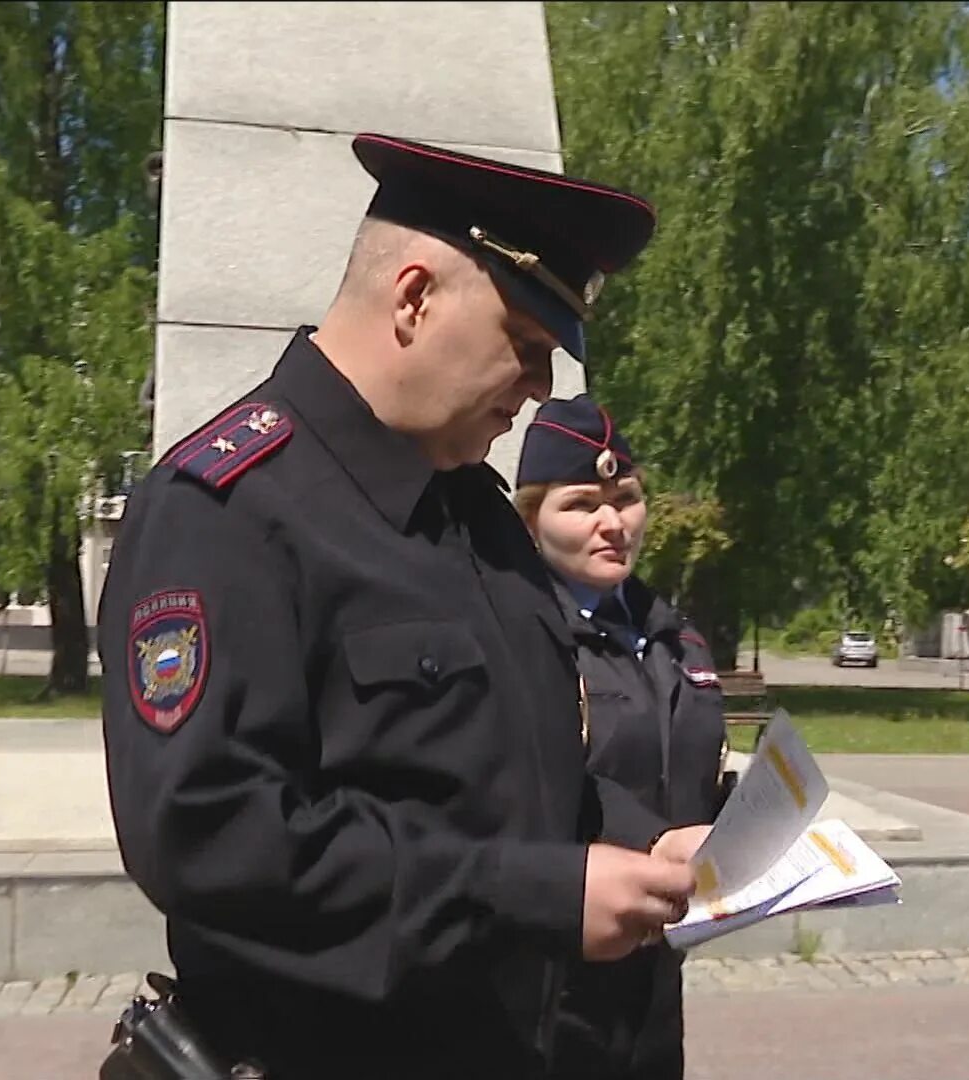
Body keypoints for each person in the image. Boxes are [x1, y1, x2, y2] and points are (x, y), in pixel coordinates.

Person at [96, 132, 711, 1080]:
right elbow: (213, 837)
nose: (544, 387)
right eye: (528, 345)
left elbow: (518, 772)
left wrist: (650, 840)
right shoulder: (224, 509)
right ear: (415, 298)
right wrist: (533, 895)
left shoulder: (479, 519)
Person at [509, 394, 732, 1080]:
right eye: (581, 505)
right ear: (531, 519)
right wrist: (651, 841)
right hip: (556, 980)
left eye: (627, 498)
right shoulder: (518, 633)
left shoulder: (673, 633)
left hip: (658, 975)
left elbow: (695, 768)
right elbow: (535, 777)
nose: (613, 523)